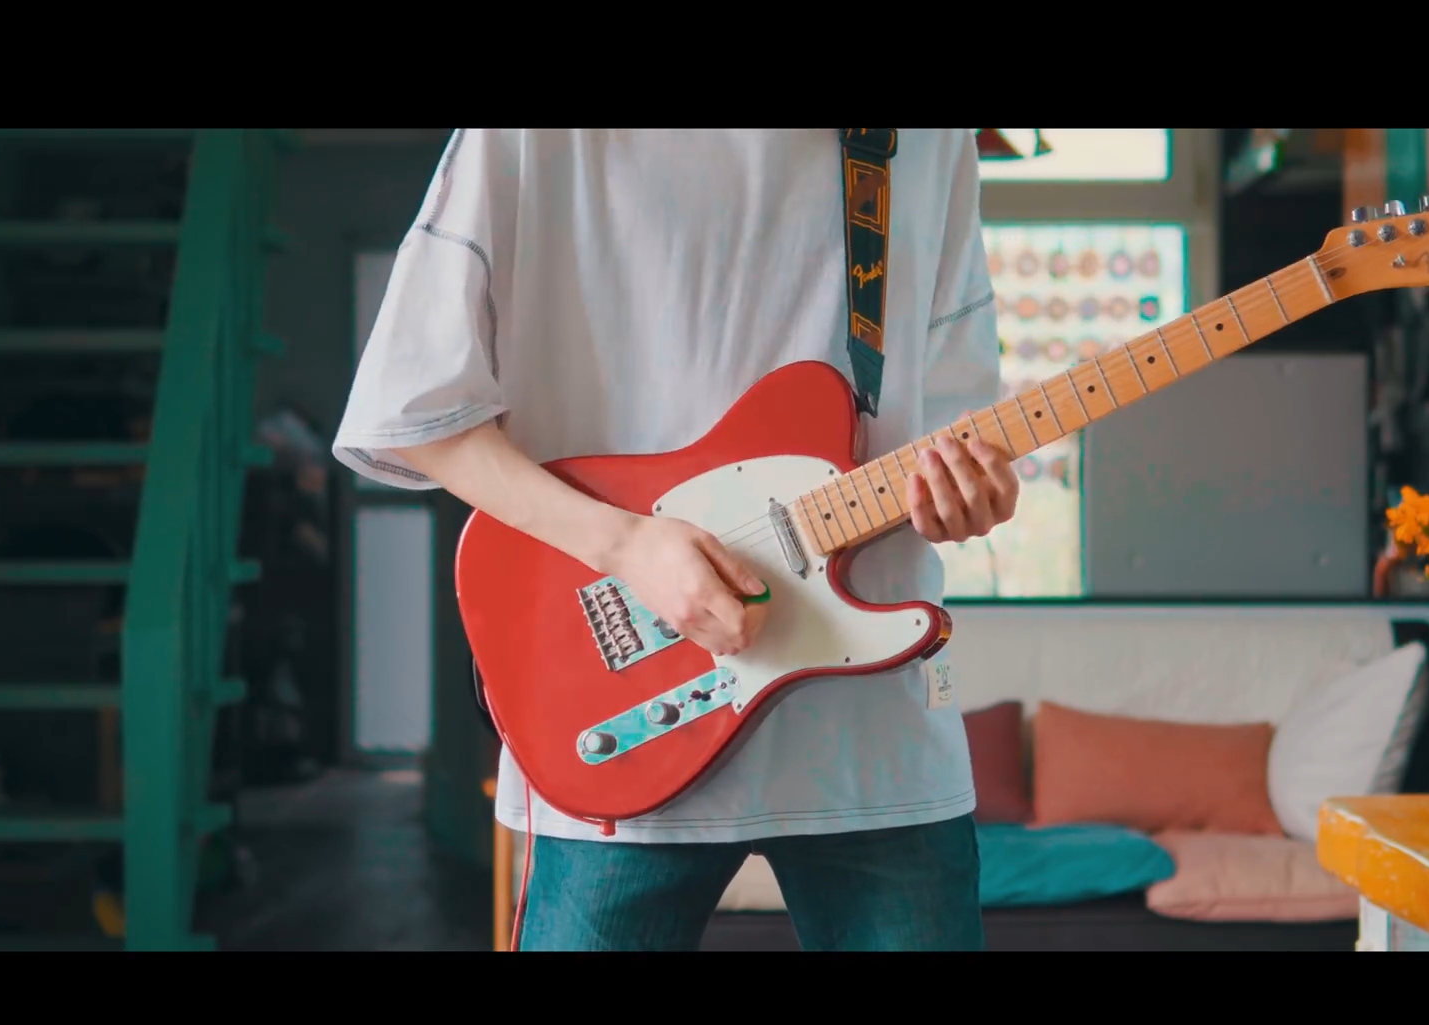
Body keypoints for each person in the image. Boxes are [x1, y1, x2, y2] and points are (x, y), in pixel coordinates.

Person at [333, 129, 1017, 951]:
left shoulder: (931, 140)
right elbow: (414, 415)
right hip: (619, 718)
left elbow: (953, 424)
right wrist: (624, 547)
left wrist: (966, 495)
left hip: (873, 737)